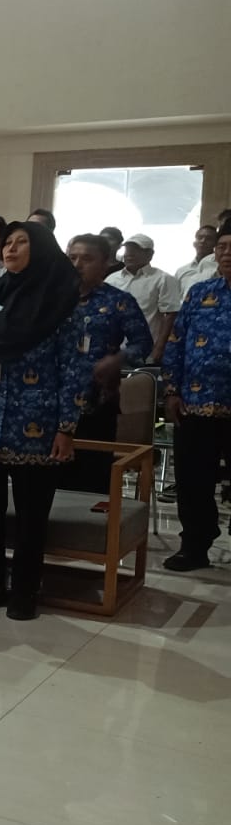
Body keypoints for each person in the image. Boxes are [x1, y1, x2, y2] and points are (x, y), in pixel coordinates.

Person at [0, 222, 82, 620]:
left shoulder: (62, 302)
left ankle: (25, 589)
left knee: (31, 515)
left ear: (41, 250)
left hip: (35, 420)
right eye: (7, 243)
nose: (10, 249)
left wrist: (67, 427)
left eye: (22, 243)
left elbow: (73, 369)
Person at [162, 223, 231, 571]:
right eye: (222, 246)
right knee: (192, 481)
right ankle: (194, 546)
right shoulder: (200, 292)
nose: (226, 253)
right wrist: (172, 390)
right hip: (195, 403)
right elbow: (176, 343)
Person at [65, 233, 152, 492]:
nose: (77, 264)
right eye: (72, 257)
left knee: (92, 479)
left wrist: (118, 359)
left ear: (105, 264)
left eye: (87, 259)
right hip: (52, 402)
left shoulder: (119, 300)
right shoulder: (53, 299)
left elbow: (142, 343)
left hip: (97, 399)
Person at [112, 233, 180, 363]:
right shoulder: (112, 279)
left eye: (135, 250)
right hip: (115, 351)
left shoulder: (163, 279)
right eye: (127, 249)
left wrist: (159, 348)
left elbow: (170, 315)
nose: (129, 254)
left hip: (148, 350)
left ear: (150, 254)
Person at [177, 224, 218, 290]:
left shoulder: (219, 268)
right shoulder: (181, 271)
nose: (203, 241)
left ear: (215, 244)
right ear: (194, 243)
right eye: (200, 237)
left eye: (208, 239)